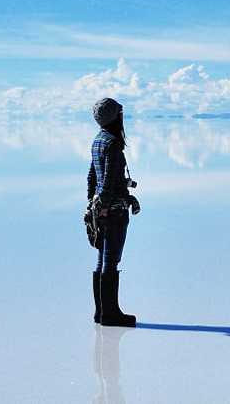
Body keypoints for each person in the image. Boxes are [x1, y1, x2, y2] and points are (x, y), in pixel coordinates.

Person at [88, 97, 140, 327]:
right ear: (116, 117)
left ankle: (101, 313)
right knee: (111, 260)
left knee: (102, 260)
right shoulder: (113, 143)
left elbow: (93, 178)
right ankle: (110, 315)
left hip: (100, 210)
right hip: (114, 211)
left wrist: (93, 205)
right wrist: (111, 205)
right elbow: (109, 181)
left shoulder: (98, 140)